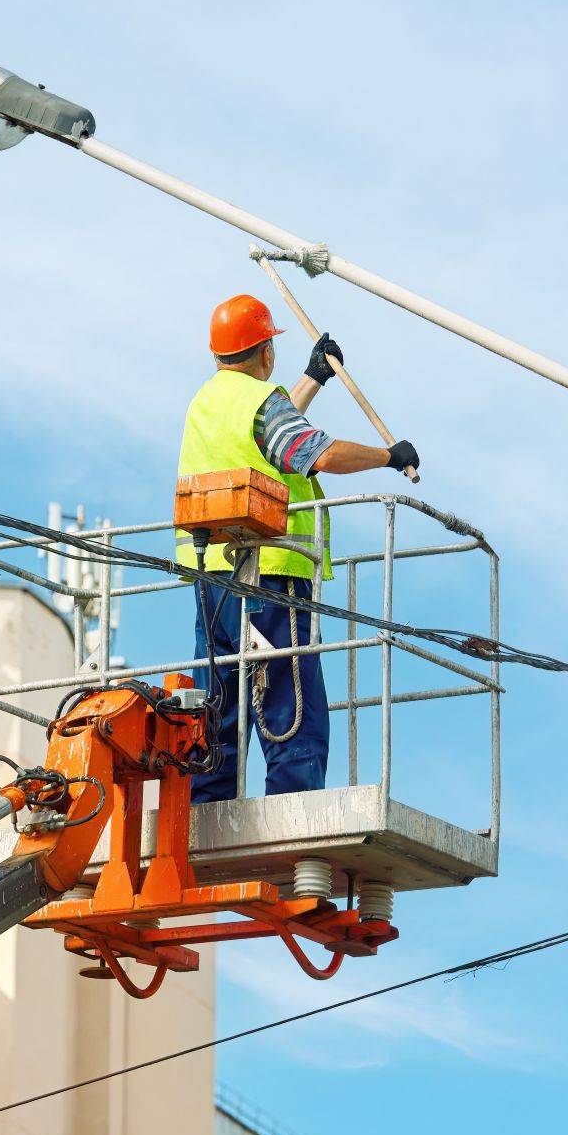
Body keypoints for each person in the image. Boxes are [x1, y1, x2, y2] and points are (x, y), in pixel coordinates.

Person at [177, 294, 419, 803]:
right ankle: (294, 823)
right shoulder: (262, 404)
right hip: (269, 581)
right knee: (291, 714)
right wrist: (388, 456)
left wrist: (314, 378)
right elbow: (319, 455)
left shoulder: (206, 404)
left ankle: (202, 816)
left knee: (216, 713)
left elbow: (268, 445)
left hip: (212, 584)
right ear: (265, 351)